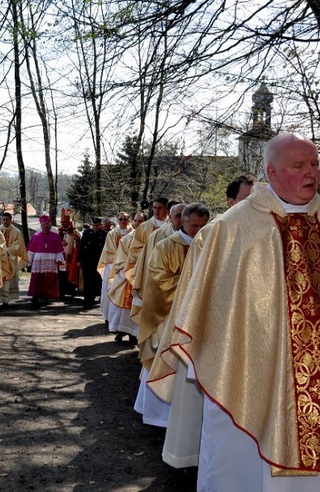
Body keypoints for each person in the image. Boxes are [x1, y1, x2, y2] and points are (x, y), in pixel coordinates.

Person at [151, 133, 320, 491]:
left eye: (315, 165)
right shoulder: (232, 229)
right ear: (271, 172)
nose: (311, 174)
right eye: (299, 166)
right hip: (250, 377)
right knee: (241, 472)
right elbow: (204, 308)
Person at [148, 174, 254, 470]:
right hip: (213, 331)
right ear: (231, 202)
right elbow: (193, 292)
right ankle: (197, 459)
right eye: (247, 198)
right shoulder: (213, 235)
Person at [133, 203, 210, 428]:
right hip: (167, 317)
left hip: (198, 316)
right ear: (182, 222)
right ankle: (159, 416)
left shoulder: (210, 246)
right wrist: (193, 284)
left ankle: (188, 421)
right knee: (164, 359)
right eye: (194, 225)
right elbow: (157, 281)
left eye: (203, 226)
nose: (199, 231)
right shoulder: (166, 246)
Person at [107, 212, 145, 343]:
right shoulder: (127, 239)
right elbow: (121, 258)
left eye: (140, 221)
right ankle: (121, 331)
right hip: (127, 276)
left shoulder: (150, 239)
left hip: (142, 277)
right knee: (123, 308)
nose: (137, 224)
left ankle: (134, 333)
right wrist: (128, 271)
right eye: (136, 221)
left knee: (137, 305)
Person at [98, 212, 132, 322]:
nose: (123, 221)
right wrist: (120, 261)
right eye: (121, 219)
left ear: (129, 220)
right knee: (110, 290)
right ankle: (109, 317)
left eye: (125, 219)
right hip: (113, 265)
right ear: (117, 221)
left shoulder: (134, 233)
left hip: (129, 266)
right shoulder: (112, 234)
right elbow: (109, 250)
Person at [27, 214, 64, 306]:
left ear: (50, 225)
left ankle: (46, 297)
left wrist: (59, 259)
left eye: (47, 224)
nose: (45, 226)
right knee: (36, 279)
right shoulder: (36, 236)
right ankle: (35, 296)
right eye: (44, 224)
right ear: (41, 225)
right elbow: (31, 250)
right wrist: (28, 261)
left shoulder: (55, 236)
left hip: (50, 260)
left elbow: (59, 249)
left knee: (48, 279)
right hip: (38, 261)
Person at [0, 212, 28, 306]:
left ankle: (7, 299)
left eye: (7, 220)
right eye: (4, 219)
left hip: (10, 259)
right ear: (2, 220)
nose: (5, 221)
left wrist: (6, 251)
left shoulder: (16, 231)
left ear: (11, 220)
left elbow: (18, 246)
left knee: (9, 280)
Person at [77, 217, 108, 309]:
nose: (95, 227)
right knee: (87, 280)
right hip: (87, 261)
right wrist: (79, 260)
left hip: (98, 261)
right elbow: (81, 247)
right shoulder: (87, 233)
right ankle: (87, 300)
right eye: (94, 225)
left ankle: (94, 298)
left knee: (97, 280)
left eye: (97, 225)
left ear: (101, 225)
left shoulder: (104, 234)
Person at [58, 209, 82, 299]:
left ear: (68, 222)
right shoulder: (59, 232)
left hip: (71, 257)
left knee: (70, 274)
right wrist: (60, 243)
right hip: (61, 257)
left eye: (65, 222)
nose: (63, 223)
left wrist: (77, 239)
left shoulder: (75, 232)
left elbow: (79, 243)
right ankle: (61, 293)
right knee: (61, 276)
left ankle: (71, 292)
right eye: (62, 222)